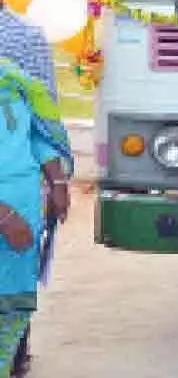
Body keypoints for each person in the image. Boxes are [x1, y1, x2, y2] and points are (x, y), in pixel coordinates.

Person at [0, 60, 72, 377]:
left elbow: (37, 136)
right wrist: (4, 216)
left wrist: (58, 182)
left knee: (13, 309)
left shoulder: (15, 79)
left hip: (25, 216)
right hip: (10, 217)